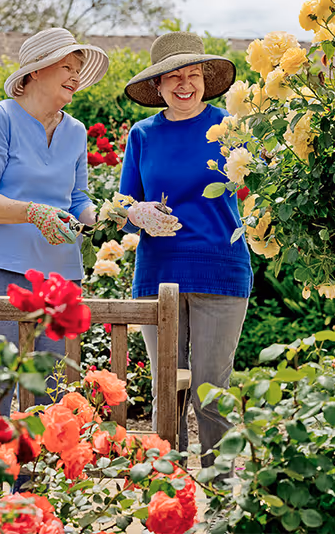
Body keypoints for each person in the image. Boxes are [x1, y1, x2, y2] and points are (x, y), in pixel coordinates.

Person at [120, 31, 252, 468]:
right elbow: (123, 203)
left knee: (211, 392)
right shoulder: (142, 135)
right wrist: (136, 212)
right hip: (159, 275)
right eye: (172, 77)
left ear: (205, 79)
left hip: (221, 271)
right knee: (166, 391)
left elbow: (261, 187)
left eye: (192, 74)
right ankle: (169, 490)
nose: (184, 84)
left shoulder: (230, 129)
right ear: (157, 86)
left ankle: (219, 492)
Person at [0, 27, 109, 415]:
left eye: (78, 68)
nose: (76, 76)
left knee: (55, 398)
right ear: (36, 72)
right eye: (67, 65)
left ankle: (38, 479)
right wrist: (32, 212)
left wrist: (113, 217)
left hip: (59, 278)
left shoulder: (75, 131)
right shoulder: (0, 118)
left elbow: (77, 200)